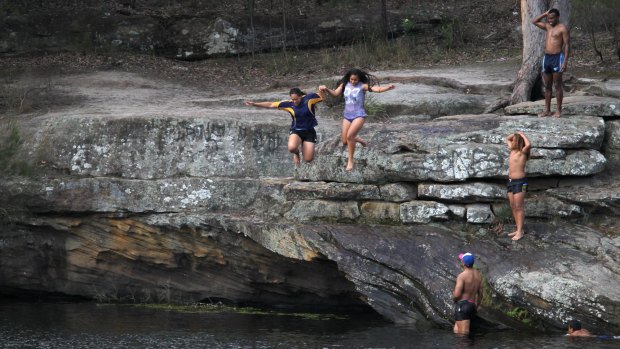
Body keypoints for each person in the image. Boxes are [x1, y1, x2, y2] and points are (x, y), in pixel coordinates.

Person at [320, 69, 395, 171]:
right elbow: (335, 93)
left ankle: (350, 161)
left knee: (350, 136)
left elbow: (376, 89)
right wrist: (327, 89)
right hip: (347, 115)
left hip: (359, 115)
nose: (353, 81)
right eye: (351, 79)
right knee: (345, 141)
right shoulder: (344, 84)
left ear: (359, 79)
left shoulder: (362, 86)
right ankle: (358, 139)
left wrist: (387, 88)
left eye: (355, 80)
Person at [244, 87, 325, 166]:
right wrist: (254, 104)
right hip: (296, 131)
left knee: (308, 159)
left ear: (301, 96)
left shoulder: (309, 99)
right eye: (292, 99)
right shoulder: (288, 104)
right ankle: (296, 153)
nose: (294, 101)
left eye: (296, 99)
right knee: (291, 148)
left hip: (309, 131)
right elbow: (271, 104)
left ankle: (304, 146)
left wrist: (321, 89)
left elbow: (321, 97)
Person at [532, 8, 570, 118]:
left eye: (552, 18)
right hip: (547, 58)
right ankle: (547, 110)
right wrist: (545, 13)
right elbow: (534, 21)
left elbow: (567, 45)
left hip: (557, 58)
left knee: (557, 85)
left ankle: (558, 111)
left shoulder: (563, 28)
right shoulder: (547, 26)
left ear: (558, 17)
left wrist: (565, 62)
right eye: (548, 18)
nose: (550, 20)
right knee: (547, 86)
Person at [506, 132, 531, 241]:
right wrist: (515, 134)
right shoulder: (512, 150)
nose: (512, 142)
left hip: (521, 182)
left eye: (515, 141)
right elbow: (507, 138)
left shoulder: (523, 152)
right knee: (512, 205)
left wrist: (522, 135)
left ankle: (520, 232)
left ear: (519, 142)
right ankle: (518, 229)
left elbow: (528, 145)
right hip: (511, 182)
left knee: (518, 206)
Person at [453, 252, 483, 335]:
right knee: (457, 331)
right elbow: (480, 293)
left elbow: (456, 294)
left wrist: (454, 299)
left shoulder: (462, 276)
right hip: (472, 305)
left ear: (463, 263)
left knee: (463, 335)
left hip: (462, 306)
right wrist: (476, 306)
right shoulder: (478, 275)